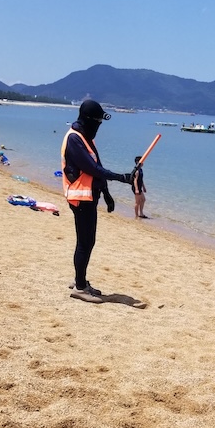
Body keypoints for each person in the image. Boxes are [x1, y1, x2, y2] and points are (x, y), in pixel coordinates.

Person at [61, 99, 134, 303]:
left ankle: (80, 280)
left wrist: (107, 194)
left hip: (89, 197)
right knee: (85, 242)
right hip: (80, 198)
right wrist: (121, 177)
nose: (98, 126)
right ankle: (80, 287)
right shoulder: (74, 138)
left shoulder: (86, 138)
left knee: (87, 242)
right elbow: (92, 169)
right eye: (97, 122)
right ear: (88, 119)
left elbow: (97, 168)